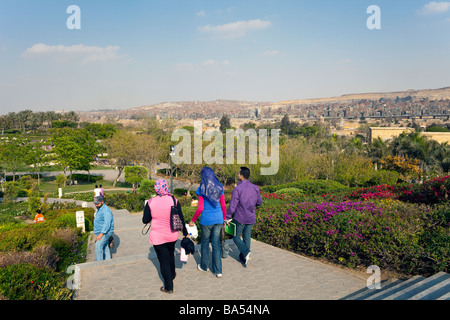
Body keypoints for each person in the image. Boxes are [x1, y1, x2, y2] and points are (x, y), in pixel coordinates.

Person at [142, 179, 189, 294]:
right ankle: (172, 274)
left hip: (158, 237)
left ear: (156, 189)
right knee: (170, 254)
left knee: (163, 261)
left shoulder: (151, 202)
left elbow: (145, 220)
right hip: (172, 235)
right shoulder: (173, 199)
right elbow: (181, 217)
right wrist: (185, 233)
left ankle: (168, 287)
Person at [189, 167, 227, 278]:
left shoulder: (201, 188)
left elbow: (200, 208)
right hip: (219, 219)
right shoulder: (220, 187)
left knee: (205, 243)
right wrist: (224, 219)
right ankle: (218, 271)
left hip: (206, 220)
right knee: (216, 244)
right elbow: (224, 205)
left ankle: (204, 267)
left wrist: (193, 220)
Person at [226, 167, 263, 267]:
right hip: (250, 217)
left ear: (241, 175)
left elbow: (233, 205)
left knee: (235, 237)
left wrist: (227, 217)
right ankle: (243, 258)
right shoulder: (255, 188)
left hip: (240, 217)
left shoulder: (238, 189)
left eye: (238, 173)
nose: (238, 174)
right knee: (247, 237)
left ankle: (246, 252)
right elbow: (260, 202)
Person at [93, 196, 114, 261]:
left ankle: (98, 264)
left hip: (105, 232)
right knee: (105, 247)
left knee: (98, 245)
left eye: (98, 204)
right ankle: (108, 261)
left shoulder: (106, 210)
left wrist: (101, 233)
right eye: (95, 204)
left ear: (102, 202)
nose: (96, 205)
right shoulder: (99, 208)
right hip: (99, 232)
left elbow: (107, 223)